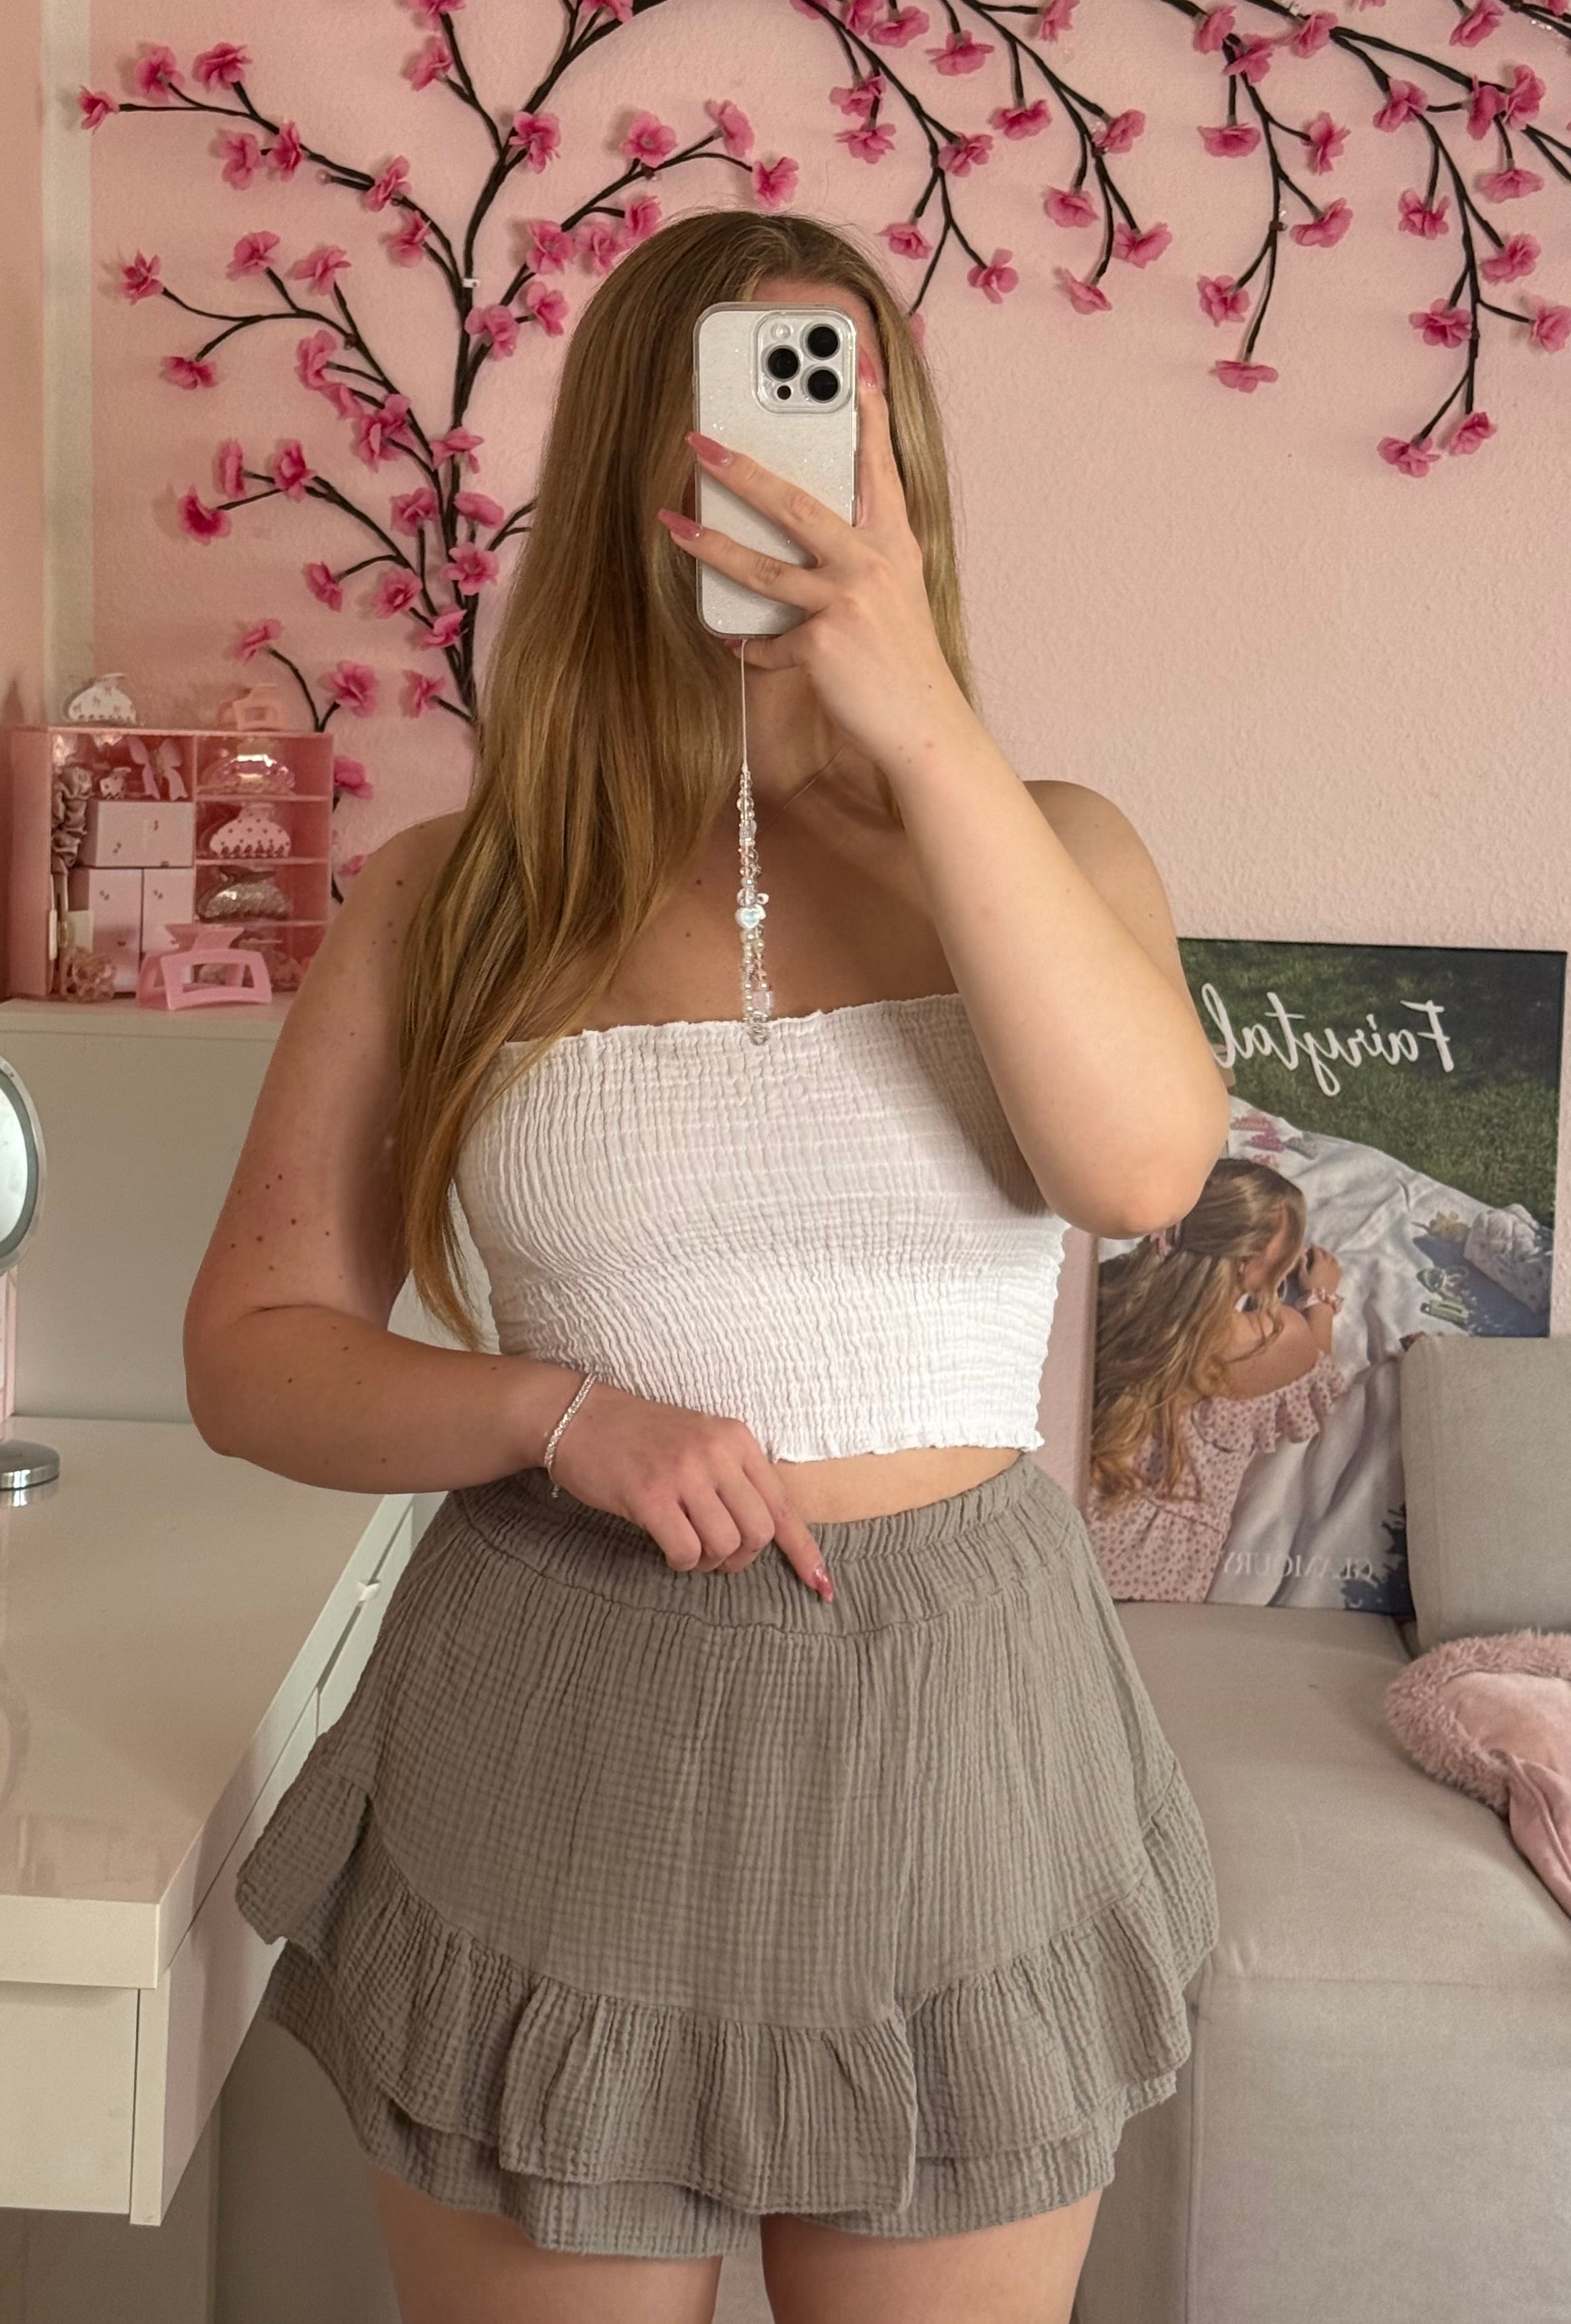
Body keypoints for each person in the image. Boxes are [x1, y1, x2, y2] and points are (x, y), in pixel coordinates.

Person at [185, 208, 1227, 2324]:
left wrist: (916, 726)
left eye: (828, 424)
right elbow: (253, 1351)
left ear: (902, 471)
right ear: (625, 480)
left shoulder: (1052, 843)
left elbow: (1136, 1171)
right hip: (552, 1728)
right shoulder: (452, 897)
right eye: (730, 427)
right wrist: (547, 1409)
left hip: (957, 1747)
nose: (782, 480)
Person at [1087, 1158, 1349, 1604]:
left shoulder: (1111, 1293)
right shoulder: (1271, 1340)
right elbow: (1320, 1376)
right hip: (1157, 1568)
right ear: (1248, 1265)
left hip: (1078, 1509)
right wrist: (1320, 1298)